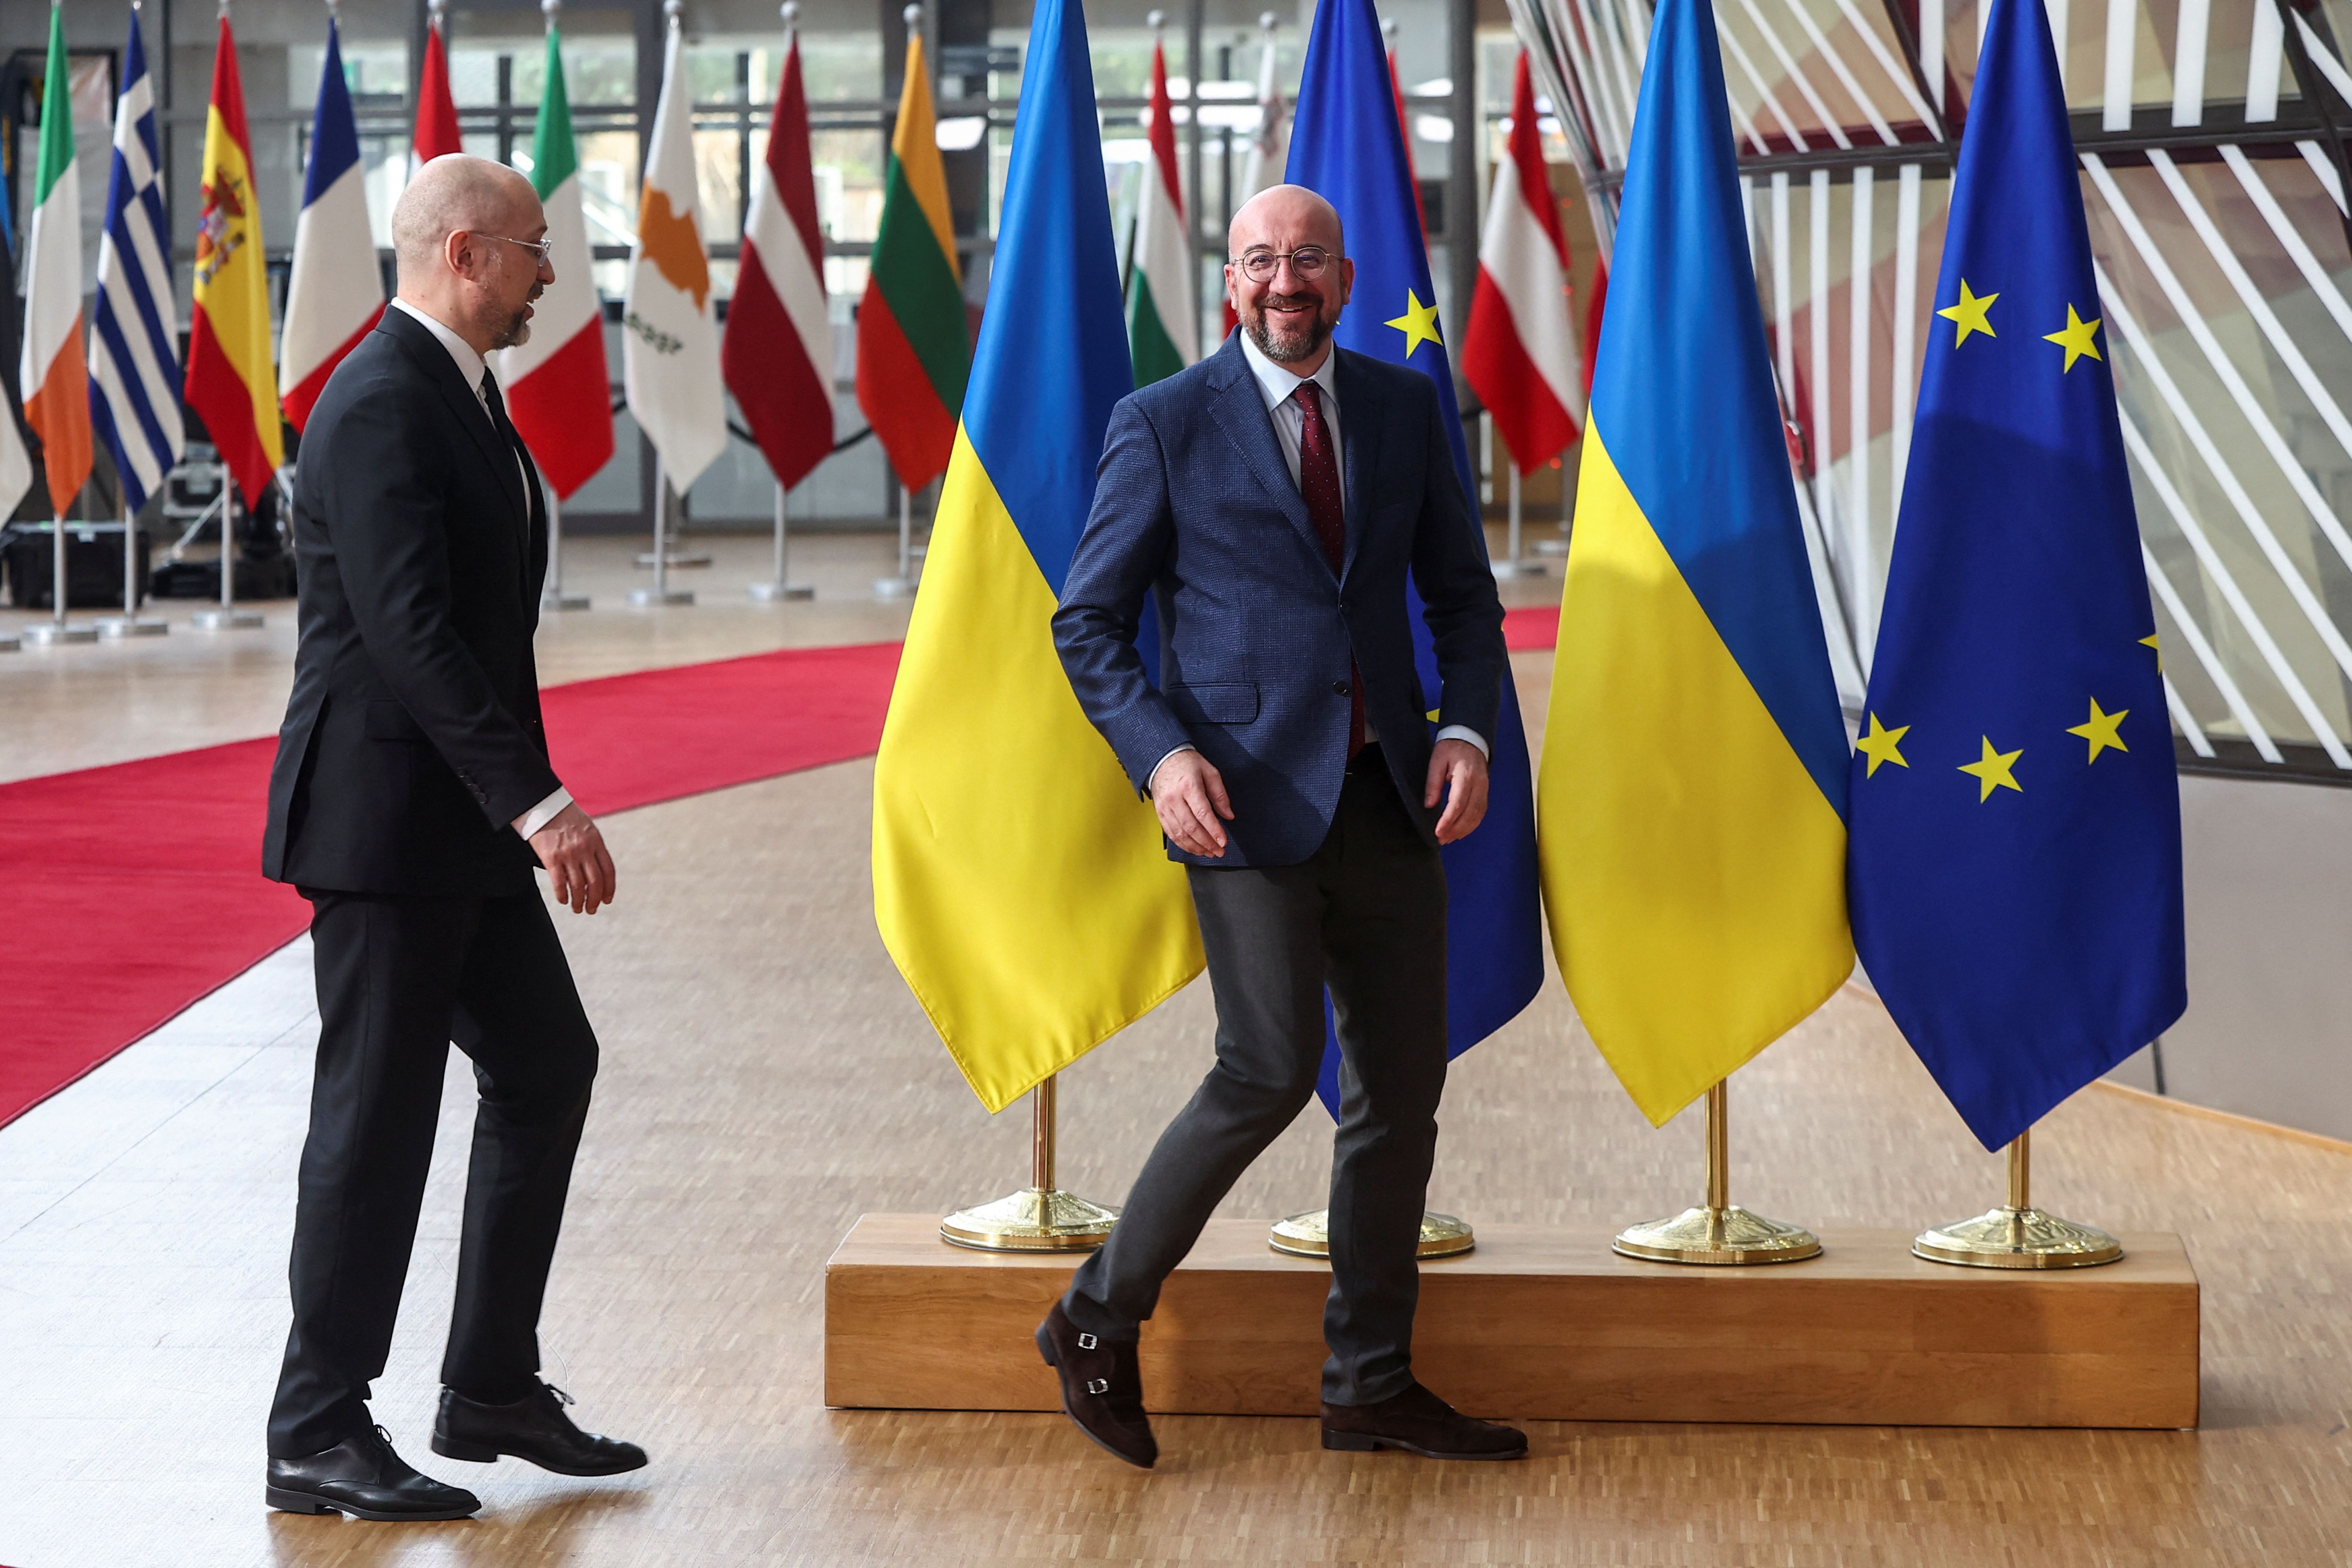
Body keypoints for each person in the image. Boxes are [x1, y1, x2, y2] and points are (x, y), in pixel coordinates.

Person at [1040, 184, 1525, 1468]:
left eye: (1305, 257)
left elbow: (1464, 602)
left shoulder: (1401, 405)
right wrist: (1160, 757)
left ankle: (1366, 1382)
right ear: (1230, 281)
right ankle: (1096, 1312)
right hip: (1241, 801)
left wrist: (1466, 730)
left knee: (1398, 1095)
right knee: (1262, 1067)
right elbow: (1086, 623)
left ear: (1345, 275)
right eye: (1259, 258)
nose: (1282, 279)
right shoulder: (1162, 423)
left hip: (1389, 796)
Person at [258, 154, 644, 1522]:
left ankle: (487, 1381)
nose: (551, 275)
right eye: (536, 251)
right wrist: (538, 800)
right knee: (376, 1121)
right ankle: (314, 1428)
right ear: (467, 254)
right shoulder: (376, 401)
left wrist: (508, 801)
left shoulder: (459, 394)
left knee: (547, 1063)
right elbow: (409, 633)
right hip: (383, 825)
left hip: (454, 825)